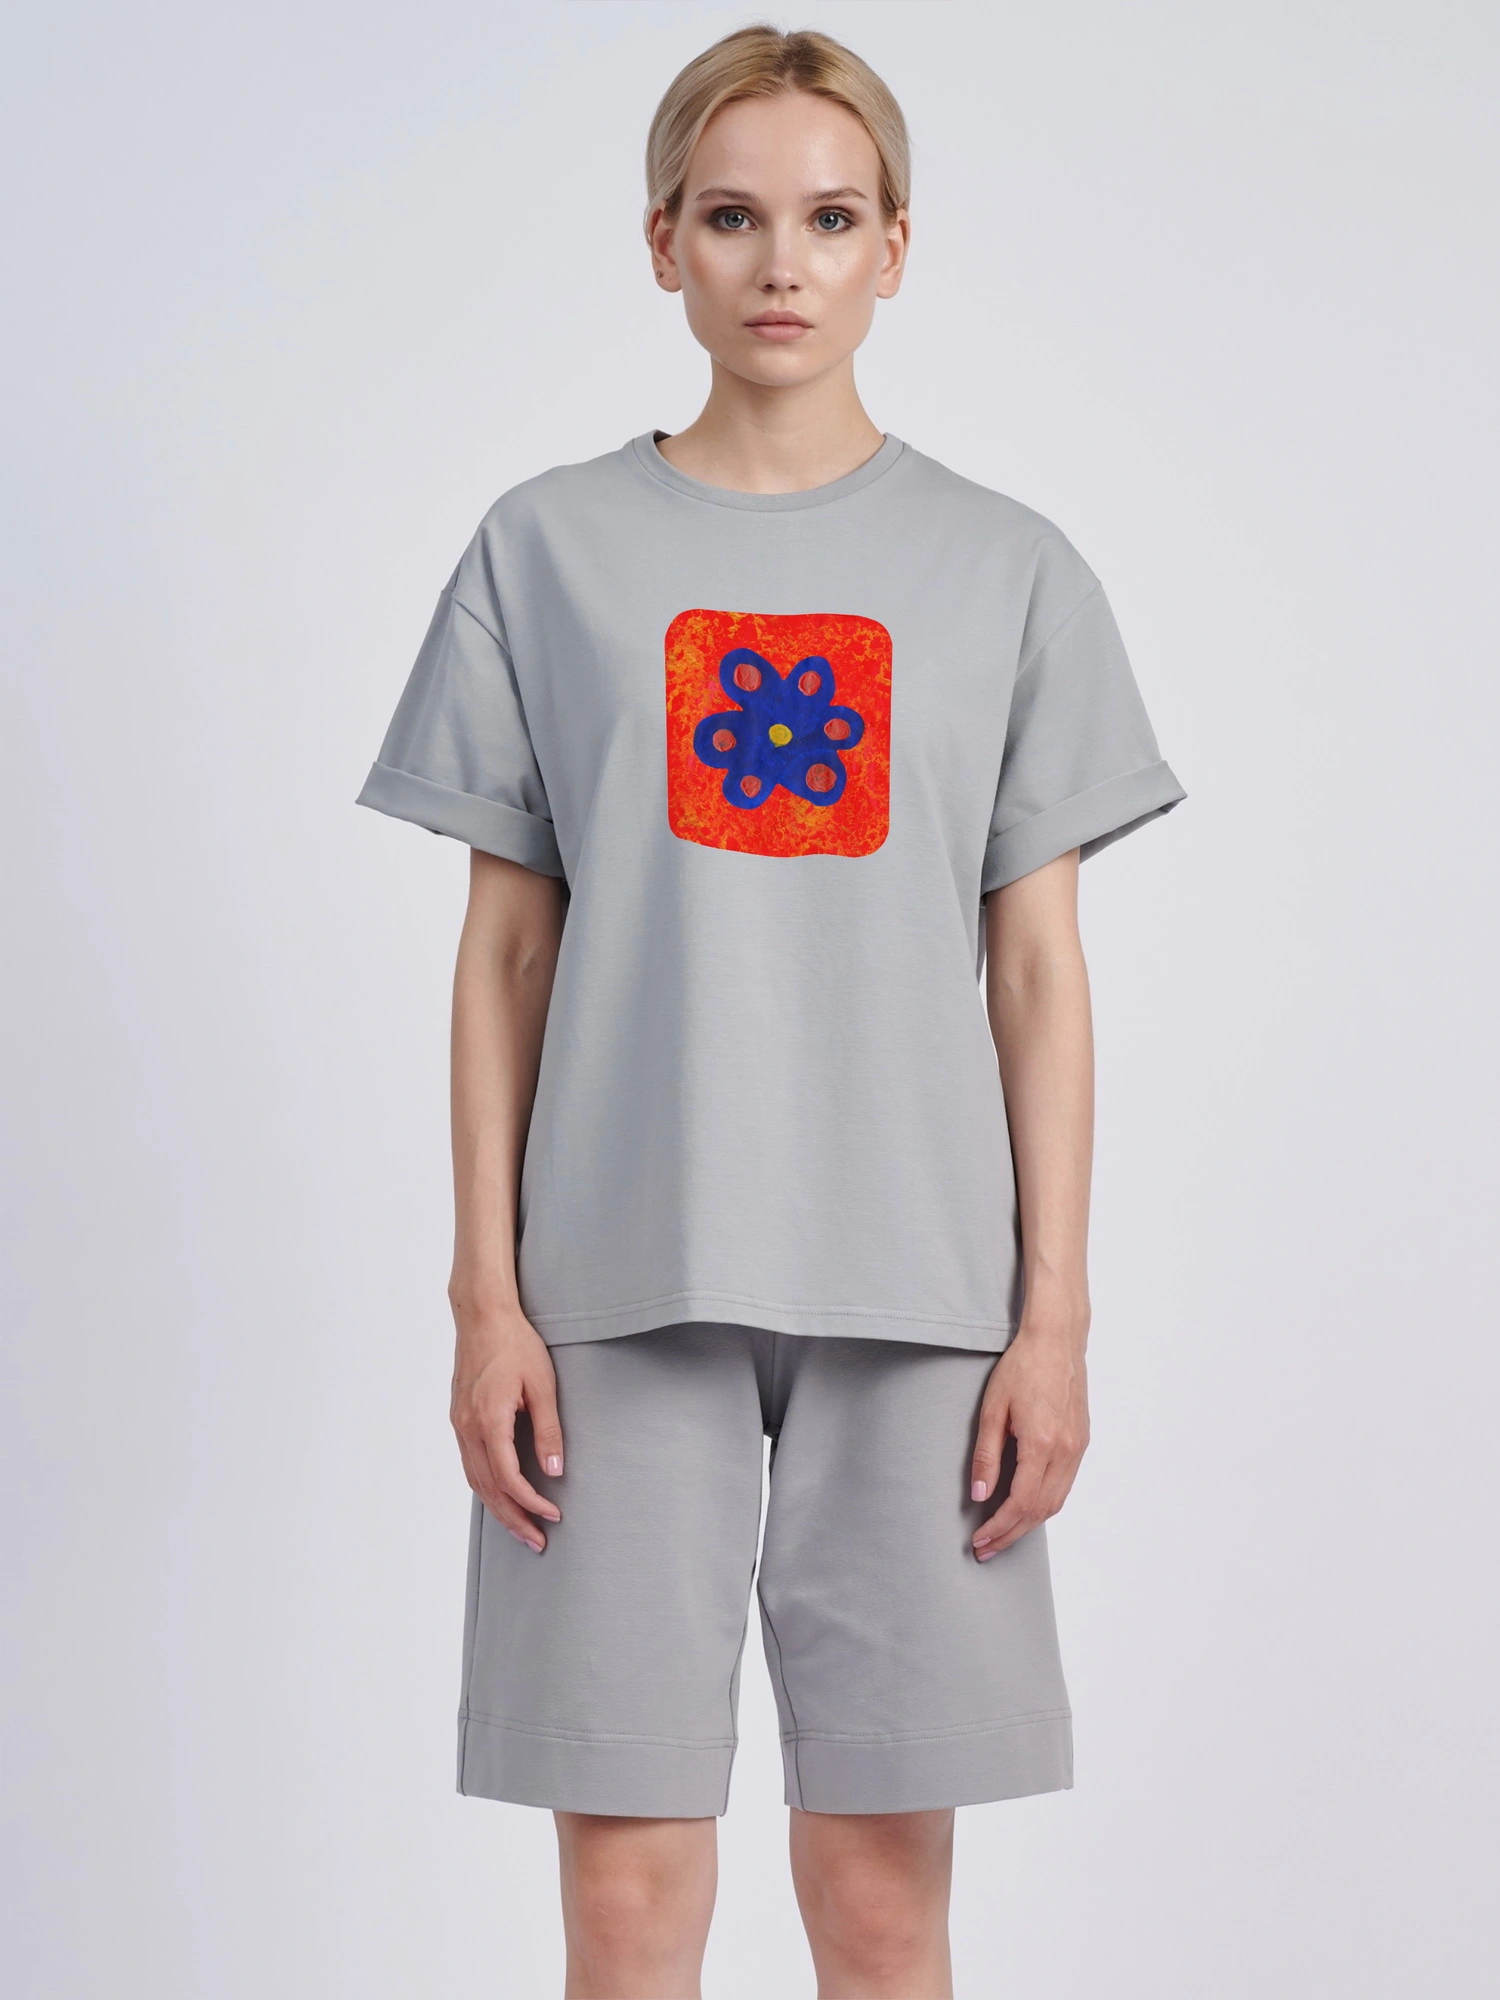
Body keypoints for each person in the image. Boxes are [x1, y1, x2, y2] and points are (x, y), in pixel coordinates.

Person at [356, 24, 1186, 2000]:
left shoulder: (1008, 570)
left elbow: (1040, 969)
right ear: (663, 243)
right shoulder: (546, 550)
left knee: (885, 1906)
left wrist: (1054, 1318)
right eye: (732, 218)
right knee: (628, 1906)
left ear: (898, 246)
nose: (781, 264)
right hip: (614, 1287)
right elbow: (504, 952)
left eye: (829, 218)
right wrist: (486, 1299)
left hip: (921, 1300)